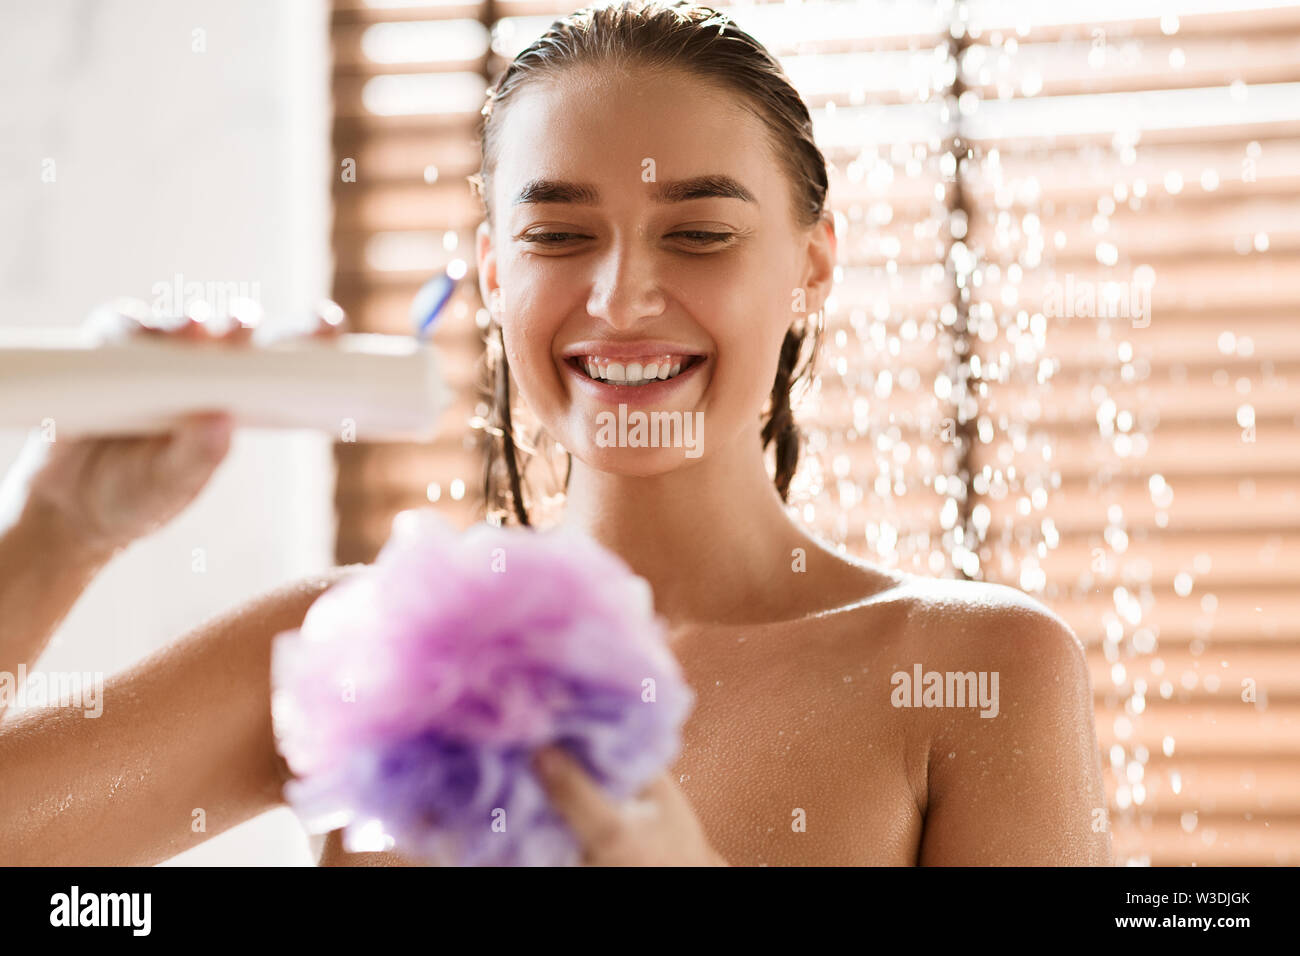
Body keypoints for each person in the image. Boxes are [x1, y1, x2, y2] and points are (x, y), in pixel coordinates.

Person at [0, 1, 1112, 866]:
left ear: (812, 265)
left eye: (699, 232)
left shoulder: (974, 668)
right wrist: (55, 533)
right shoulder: (354, 644)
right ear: (492, 274)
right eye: (559, 233)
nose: (623, 296)